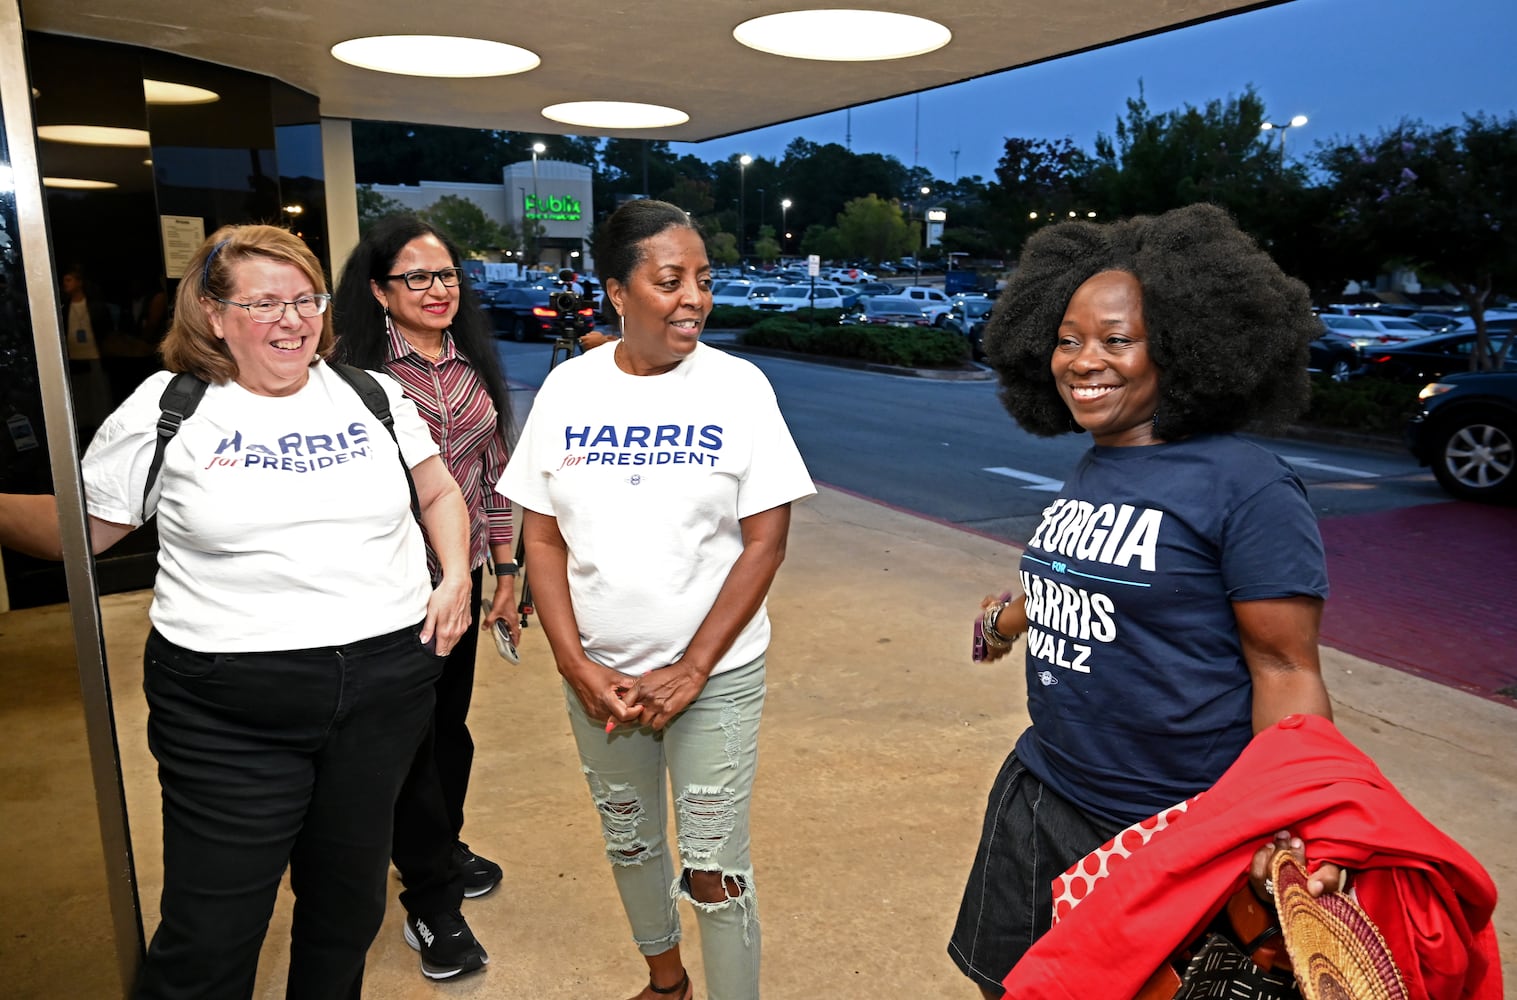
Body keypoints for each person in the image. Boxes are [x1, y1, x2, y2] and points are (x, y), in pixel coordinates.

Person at [0, 224, 473, 999]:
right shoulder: (173, 406)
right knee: (210, 934)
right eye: (264, 304)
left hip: (383, 693)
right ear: (214, 315)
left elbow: (438, 489)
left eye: (305, 300)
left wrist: (453, 576)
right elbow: (81, 530)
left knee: (347, 908)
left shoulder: (371, 393)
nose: (292, 321)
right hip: (228, 708)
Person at [947, 203, 1342, 998]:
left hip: (1171, 827)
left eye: (1115, 340)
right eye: (1066, 339)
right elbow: (1083, 573)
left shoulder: (1246, 485)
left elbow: (1284, 665)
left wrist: (1293, 820)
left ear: (1180, 347)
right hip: (1043, 795)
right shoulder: (1099, 462)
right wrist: (1006, 620)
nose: (1081, 361)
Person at [498, 199, 815, 1000]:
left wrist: (694, 665)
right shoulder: (570, 391)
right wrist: (572, 661)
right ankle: (666, 983)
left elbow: (764, 541)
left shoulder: (739, 388)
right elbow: (541, 538)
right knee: (632, 842)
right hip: (599, 674)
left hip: (714, 677)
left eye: (703, 281)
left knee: (713, 867)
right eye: (670, 280)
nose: (693, 299)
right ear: (617, 291)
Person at [332, 213, 520, 981]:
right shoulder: (351, 371)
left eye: (445, 275)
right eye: (416, 277)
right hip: (389, 594)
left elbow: (492, 470)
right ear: (379, 290)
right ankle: (432, 903)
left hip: (463, 579)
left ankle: (438, 845)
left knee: (449, 732)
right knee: (408, 748)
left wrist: (506, 573)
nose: (437, 289)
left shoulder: (471, 361)